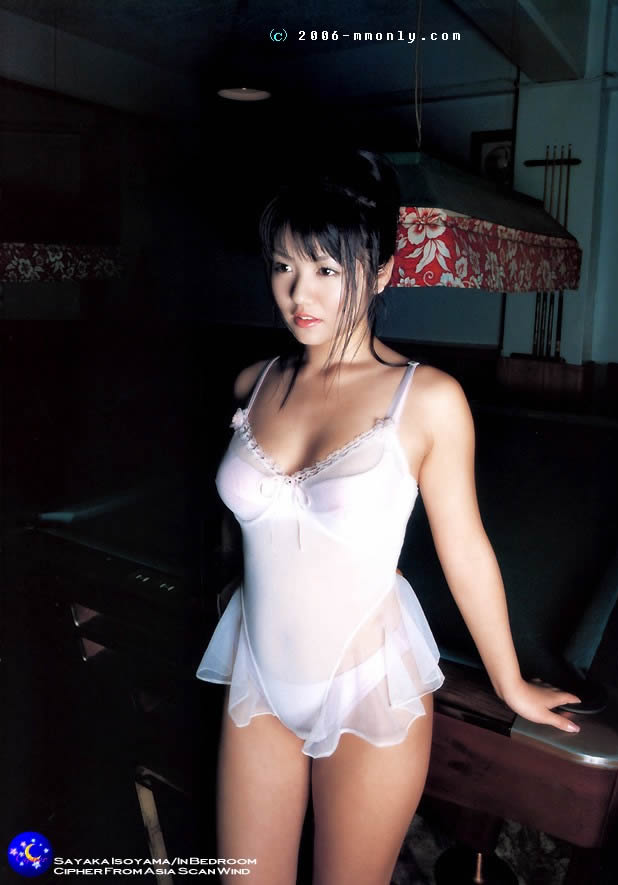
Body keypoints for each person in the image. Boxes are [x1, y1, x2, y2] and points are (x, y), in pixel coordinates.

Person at [196, 149, 582, 885]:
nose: (299, 293)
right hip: (260, 677)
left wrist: (510, 683)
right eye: (283, 266)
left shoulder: (427, 398)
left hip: (369, 682)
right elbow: (252, 523)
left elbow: (465, 548)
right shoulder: (254, 382)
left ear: (380, 275)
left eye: (326, 269)